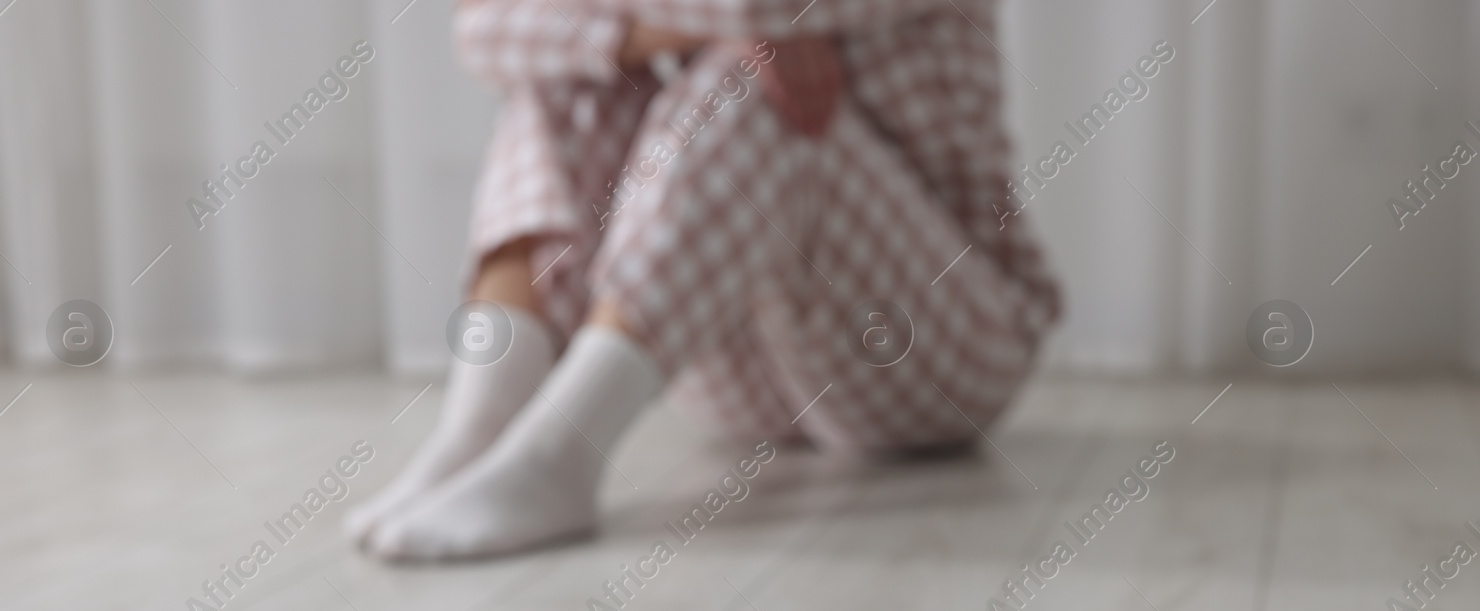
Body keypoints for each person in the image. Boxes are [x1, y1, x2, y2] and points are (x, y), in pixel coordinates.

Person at [346, 0, 1060, 560]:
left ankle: (558, 455)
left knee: (747, 84)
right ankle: (476, 432)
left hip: (944, 353)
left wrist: (636, 26)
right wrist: (664, 35)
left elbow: (762, 7)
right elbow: (482, 32)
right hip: (744, 380)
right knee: (562, 91)